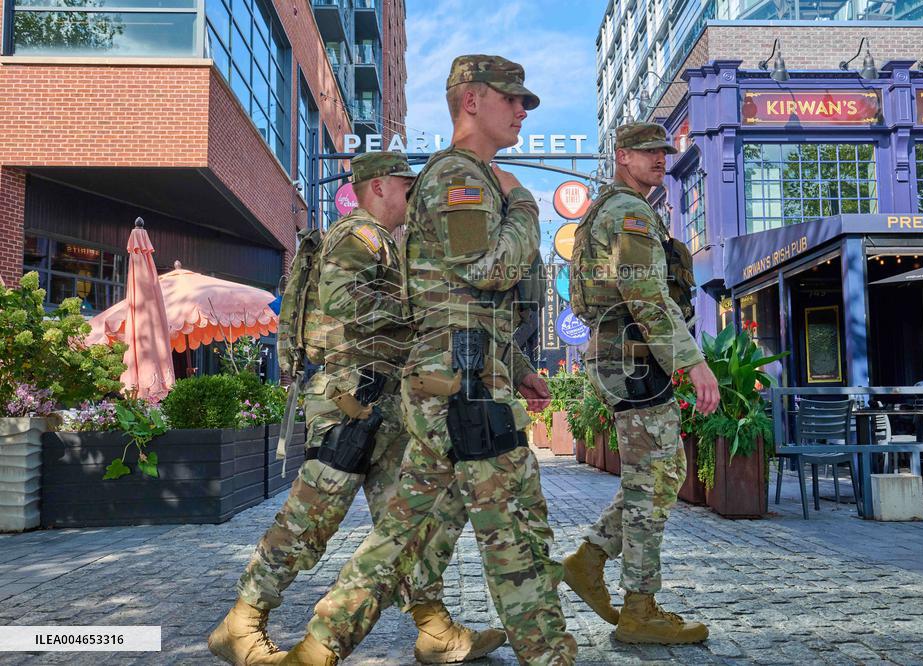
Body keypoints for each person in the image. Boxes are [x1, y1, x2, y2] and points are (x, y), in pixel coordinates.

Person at [280, 55, 577, 666]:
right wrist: (526, 210)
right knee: (515, 523)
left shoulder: (468, 178)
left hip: (459, 371)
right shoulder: (459, 178)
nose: (522, 111)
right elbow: (488, 271)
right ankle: (548, 652)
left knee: (405, 531)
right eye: (512, 99)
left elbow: (459, 297)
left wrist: (519, 366)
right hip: (463, 382)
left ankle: (320, 643)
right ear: (471, 100)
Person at [208, 151, 504, 665]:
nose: (414, 197)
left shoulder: (390, 245)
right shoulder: (357, 235)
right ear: (378, 187)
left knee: (408, 519)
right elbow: (345, 300)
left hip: (382, 399)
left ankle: (432, 628)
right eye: (406, 188)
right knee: (312, 514)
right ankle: (240, 623)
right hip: (350, 400)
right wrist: (416, 312)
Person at [563, 122, 721, 645]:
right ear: (623, 155)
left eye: (665, 151)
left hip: (628, 356)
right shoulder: (628, 213)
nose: (661, 159)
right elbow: (646, 296)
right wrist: (692, 361)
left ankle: (589, 561)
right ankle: (639, 607)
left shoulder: (622, 209)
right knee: (653, 479)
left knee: (661, 470)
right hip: (632, 357)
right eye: (651, 152)